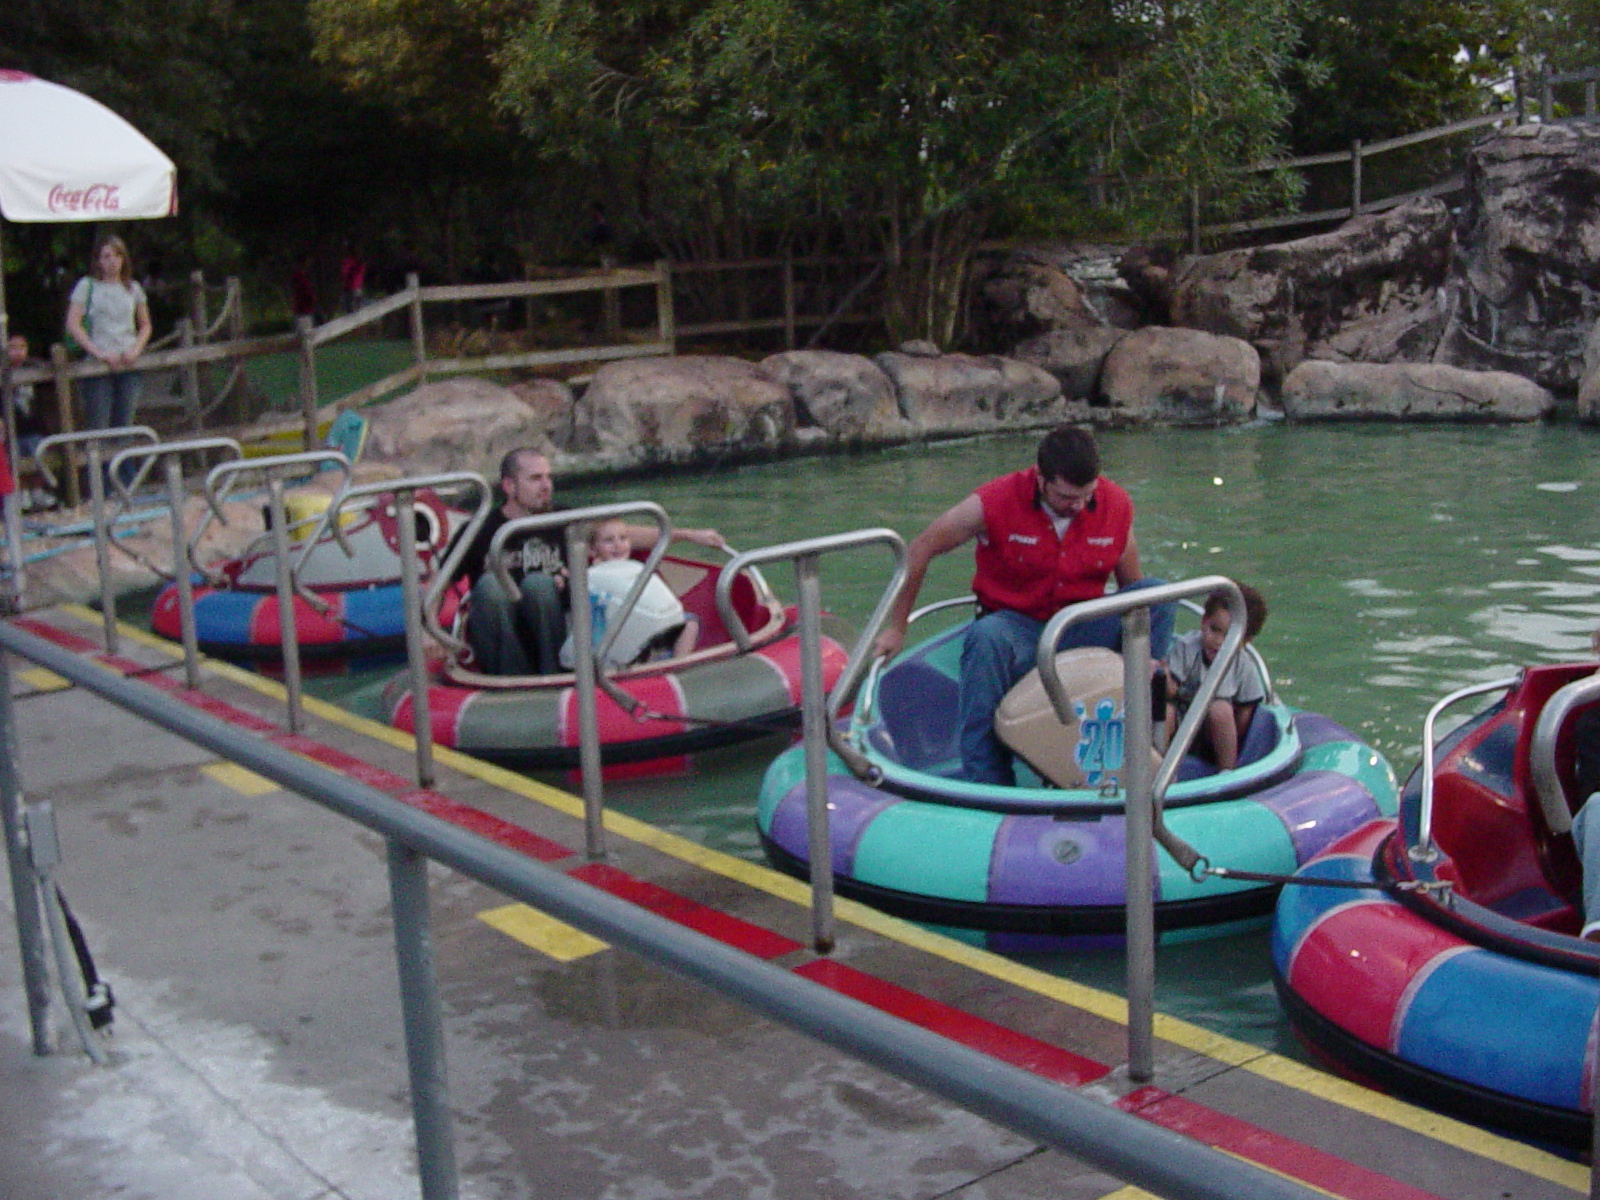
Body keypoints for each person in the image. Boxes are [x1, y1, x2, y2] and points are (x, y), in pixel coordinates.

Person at [872, 424, 1175, 785]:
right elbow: (920, 549)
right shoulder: (994, 501)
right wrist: (897, 627)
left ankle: (1135, 714)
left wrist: (1146, 655)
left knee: (1158, 595)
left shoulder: (1117, 504)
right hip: (1017, 629)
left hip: (1080, 626)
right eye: (1066, 497)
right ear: (1041, 479)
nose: (1078, 506)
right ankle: (989, 782)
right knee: (987, 637)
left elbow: (1136, 592)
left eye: (1087, 496)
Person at [453, 448, 724, 676]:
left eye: (548, 477)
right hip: (502, 636)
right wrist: (433, 636)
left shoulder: (564, 518)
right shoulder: (479, 529)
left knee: (538, 585)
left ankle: (554, 676)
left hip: (554, 630)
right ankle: (512, 683)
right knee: (490, 586)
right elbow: (442, 581)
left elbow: (619, 534)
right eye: (536, 479)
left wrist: (686, 535)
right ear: (510, 486)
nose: (547, 486)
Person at [558, 517, 700, 669]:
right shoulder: (590, 575)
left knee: (690, 624)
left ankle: (677, 668)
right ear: (592, 550)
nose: (618, 545)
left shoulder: (634, 569)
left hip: (647, 628)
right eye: (609, 541)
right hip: (615, 634)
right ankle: (650, 668)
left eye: (623, 538)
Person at [1163, 583, 1269, 770]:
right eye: (1214, 629)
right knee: (1166, 712)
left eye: (1228, 637)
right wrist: (1164, 680)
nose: (1218, 642)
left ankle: (1227, 771)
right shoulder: (1187, 647)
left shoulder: (1243, 666)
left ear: (1245, 641)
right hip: (1181, 725)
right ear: (1204, 621)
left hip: (1213, 736)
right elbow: (1170, 690)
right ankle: (1158, 767)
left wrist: (1232, 736)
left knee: (1220, 709)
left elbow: (1246, 714)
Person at [64, 236, 152, 432]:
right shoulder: (87, 286)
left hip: (127, 361)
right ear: (98, 261)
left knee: (125, 424)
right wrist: (99, 353)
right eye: (106, 256)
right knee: (98, 425)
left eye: (117, 256)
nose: (113, 261)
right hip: (97, 363)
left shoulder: (133, 288)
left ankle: (123, 451)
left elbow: (145, 325)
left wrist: (136, 350)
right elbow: (73, 323)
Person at [339, 247, 368, 314]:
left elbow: (344, 273)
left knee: (352, 310)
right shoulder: (358, 263)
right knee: (355, 310)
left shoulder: (350, 262)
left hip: (351, 288)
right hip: (355, 288)